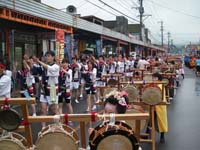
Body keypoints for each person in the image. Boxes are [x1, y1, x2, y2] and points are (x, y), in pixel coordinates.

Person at [36, 51, 60, 128]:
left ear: (53, 57)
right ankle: (43, 127)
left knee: (53, 109)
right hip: (44, 89)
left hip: (52, 89)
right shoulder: (43, 66)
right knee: (43, 109)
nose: (47, 57)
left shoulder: (56, 66)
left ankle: (58, 125)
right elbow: (34, 71)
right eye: (46, 56)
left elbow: (48, 68)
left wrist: (39, 61)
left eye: (49, 56)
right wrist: (29, 63)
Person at [152, 72, 168, 143]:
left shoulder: (160, 85)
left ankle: (162, 136)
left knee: (161, 121)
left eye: (154, 78)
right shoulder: (155, 85)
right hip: (153, 105)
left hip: (159, 106)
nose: (152, 79)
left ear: (158, 79)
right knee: (150, 120)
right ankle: (147, 134)